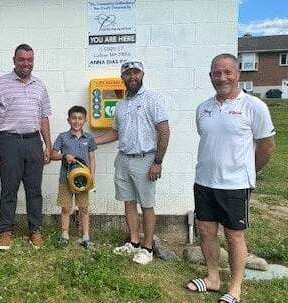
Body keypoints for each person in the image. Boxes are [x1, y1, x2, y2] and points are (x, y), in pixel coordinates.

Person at [186, 54, 275, 303]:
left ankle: (235, 288)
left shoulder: (254, 106)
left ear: (238, 74)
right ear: (211, 76)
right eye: (216, 73)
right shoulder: (203, 108)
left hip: (235, 184)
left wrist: (247, 171)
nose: (222, 77)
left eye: (227, 72)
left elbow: (267, 146)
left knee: (234, 235)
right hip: (204, 180)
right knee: (205, 231)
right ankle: (213, 278)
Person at [95, 60, 170, 265]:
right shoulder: (120, 105)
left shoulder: (153, 99)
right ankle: (133, 242)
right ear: (122, 78)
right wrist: (90, 141)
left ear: (142, 74)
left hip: (146, 160)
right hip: (123, 159)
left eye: (135, 72)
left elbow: (164, 131)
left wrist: (158, 162)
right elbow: (115, 133)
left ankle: (147, 248)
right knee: (129, 202)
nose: (132, 76)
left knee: (147, 205)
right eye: (127, 73)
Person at [0, 43, 52, 250]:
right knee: (9, 189)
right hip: (8, 142)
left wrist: (48, 146)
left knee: (34, 190)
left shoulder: (40, 86)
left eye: (29, 60)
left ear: (33, 61)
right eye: (21, 59)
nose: (26, 63)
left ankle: (35, 230)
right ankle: (6, 231)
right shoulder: (0, 84)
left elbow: (43, 119)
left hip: (33, 142)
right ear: (14, 60)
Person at [50, 106, 97, 248]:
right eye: (74, 118)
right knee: (66, 208)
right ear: (68, 120)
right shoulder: (62, 137)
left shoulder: (89, 138)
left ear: (85, 120)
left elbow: (92, 158)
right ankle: (64, 235)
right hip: (66, 179)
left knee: (84, 208)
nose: (77, 121)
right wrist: (64, 156)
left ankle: (86, 237)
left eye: (80, 118)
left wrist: (92, 177)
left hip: (83, 180)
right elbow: (52, 154)